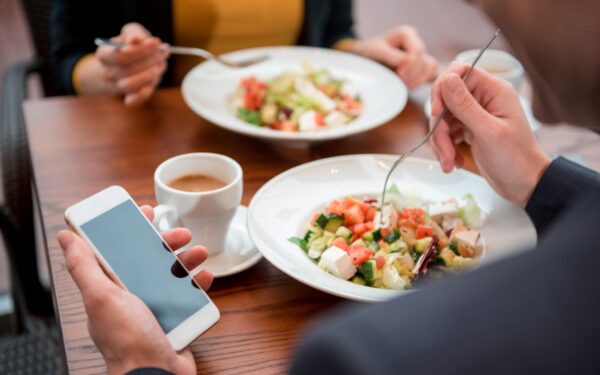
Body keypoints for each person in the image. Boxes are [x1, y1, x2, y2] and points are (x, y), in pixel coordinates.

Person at [56, 0, 600, 373]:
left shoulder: (361, 357)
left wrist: (142, 369)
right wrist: (534, 176)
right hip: (140, 128)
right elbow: (66, 56)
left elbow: (331, 27)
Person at [51, 0, 438, 107]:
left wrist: (358, 55)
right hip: (157, 139)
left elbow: (333, 34)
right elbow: (67, 58)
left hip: (298, 153)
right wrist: (115, 72)